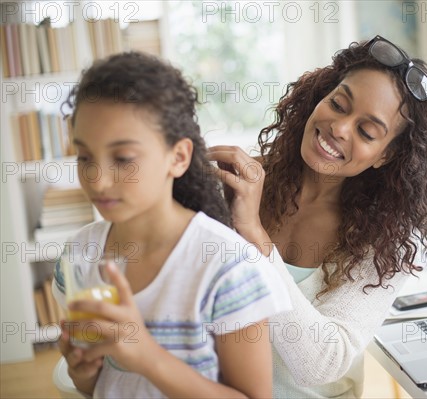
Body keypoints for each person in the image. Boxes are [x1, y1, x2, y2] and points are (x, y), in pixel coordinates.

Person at [208, 35, 427, 398]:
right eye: (338, 104)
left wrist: (254, 239)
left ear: (385, 156)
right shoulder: (242, 188)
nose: (339, 128)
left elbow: (321, 363)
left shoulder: (388, 244)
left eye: (366, 131)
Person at [52, 51, 291, 398]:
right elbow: (104, 385)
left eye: (123, 159)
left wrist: (147, 357)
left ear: (178, 157)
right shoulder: (78, 257)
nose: (98, 180)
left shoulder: (229, 267)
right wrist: (83, 373)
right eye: (85, 157)